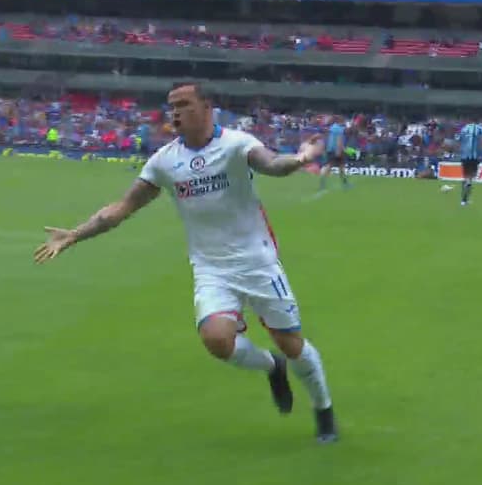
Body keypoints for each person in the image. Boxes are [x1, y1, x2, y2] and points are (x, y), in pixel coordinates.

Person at [34, 82, 338, 443]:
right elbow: (122, 207)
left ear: (207, 107)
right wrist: (74, 234)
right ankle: (273, 366)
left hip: (257, 263)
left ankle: (323, 409)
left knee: (292, 343)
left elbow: (272, 164)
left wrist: (301, 158)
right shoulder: (165, 161)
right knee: (217, 340)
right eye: (172, 106)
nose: (175, 112)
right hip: (211, 268)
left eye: (183, 104)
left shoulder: (236, 144)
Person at [456, 120, 482, 206]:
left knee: (465, 176)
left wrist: (459, 151)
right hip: (475, 157)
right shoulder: (480, 129)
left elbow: (458, 140)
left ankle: (463, 200)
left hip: (464, 156)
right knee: (471, 177)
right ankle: (466, 197)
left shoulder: (464, 128)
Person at [318, 116, 350, 191]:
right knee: (339, 167)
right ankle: (344, 183)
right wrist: (339, 151)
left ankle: (323, 182)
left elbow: (329, 138)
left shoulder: (332, 127)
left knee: (331, 166)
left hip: (330, 149)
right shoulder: (339, 129)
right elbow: (339, 140)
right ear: (341, 121)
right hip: (336, 150)